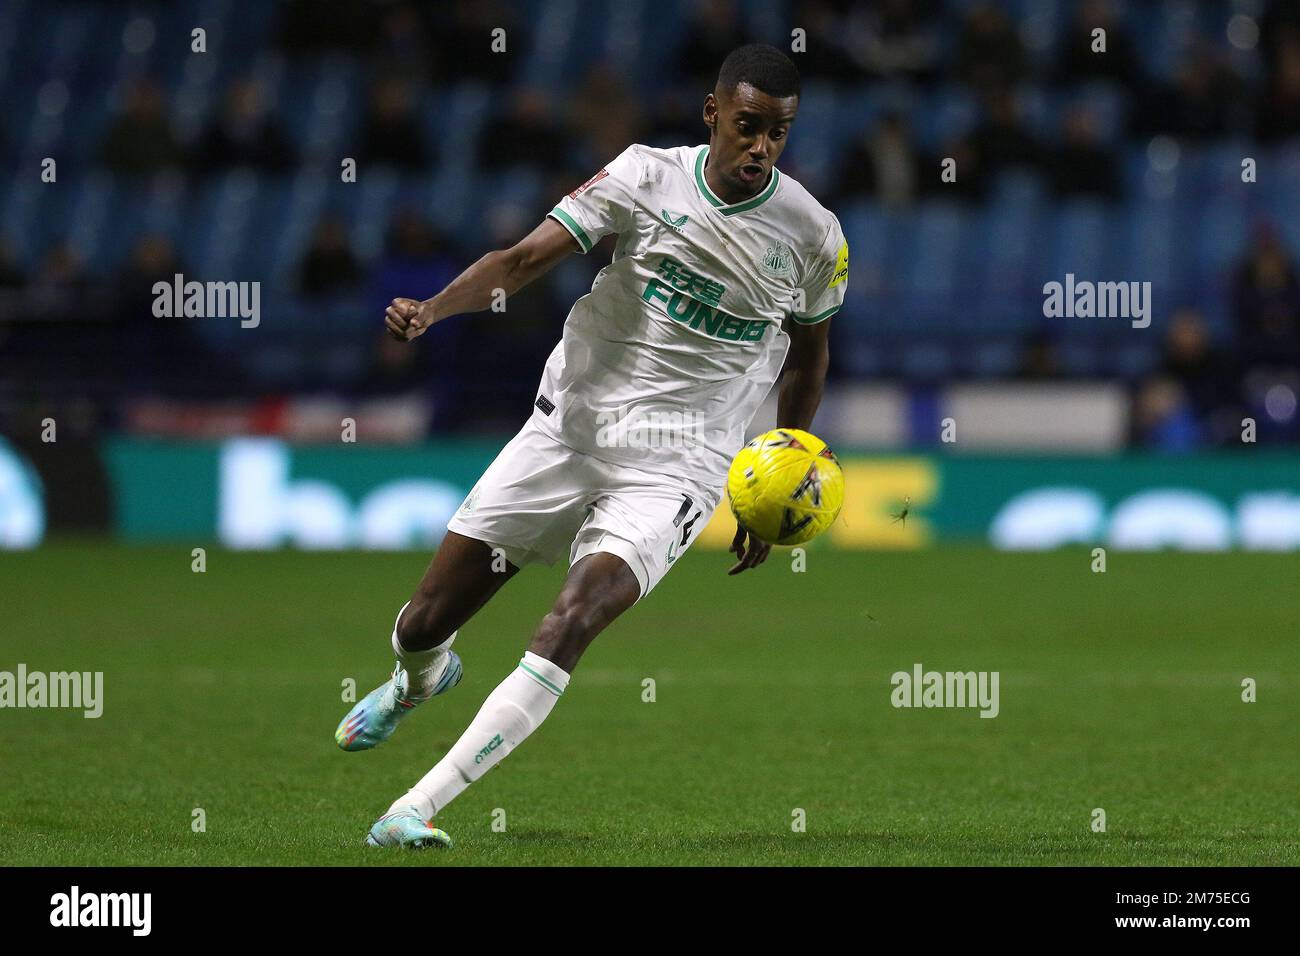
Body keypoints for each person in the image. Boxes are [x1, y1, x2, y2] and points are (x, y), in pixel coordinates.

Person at [334, 44, 848, 849]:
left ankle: (414, 807)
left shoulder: (815, 237)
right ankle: (416, 678)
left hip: (682, 464)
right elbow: (525, 258)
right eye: (748, 126)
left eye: (778, 133)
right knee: (425, 619)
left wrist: (777, 476)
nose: (762, 147)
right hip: (569, 429)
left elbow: (811, 357)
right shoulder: (645, 176)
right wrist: (436, 309)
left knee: (572, 619)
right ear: (713, 113)